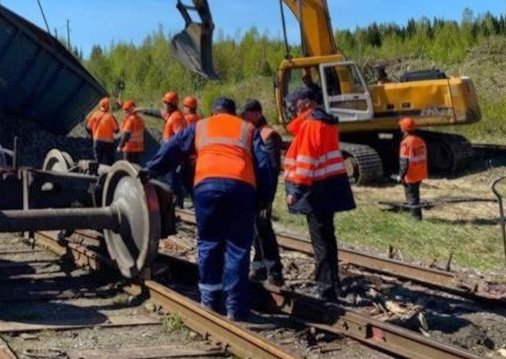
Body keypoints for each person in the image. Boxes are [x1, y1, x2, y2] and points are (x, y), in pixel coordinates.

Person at [144, 97, 274, 321]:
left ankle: (210, 303)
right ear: (234, 114)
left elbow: (173, 148)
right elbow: (264, 164)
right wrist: (264, 198)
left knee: (209, 242)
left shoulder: (201, 126)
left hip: (207, 186)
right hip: (241, 187)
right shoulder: (248, 128)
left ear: (214, 113)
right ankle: (235, 309)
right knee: (237, 248)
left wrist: (150, 170)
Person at [283, 87, 356, 301]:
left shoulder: (311, 125)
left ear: (306, 103)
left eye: (295, 103)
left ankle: (325, 287)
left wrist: (296, 191)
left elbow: (306, 160)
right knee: (327, 237)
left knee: (320, 240)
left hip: (316, 189)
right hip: (329, 186)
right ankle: (332, 283)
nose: (293, 108)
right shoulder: (325, 122)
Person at [241, 99, 284, 286]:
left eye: (247, 114)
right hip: (252, 190)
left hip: (262, 193)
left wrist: (268, 199)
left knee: (264, 230)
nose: (244, 118)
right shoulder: (253, 132)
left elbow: (272, 170)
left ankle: (274, 271)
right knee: (255, 231)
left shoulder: (268, 134)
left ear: (257, 114)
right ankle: (259, 269)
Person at [397, 117, 427, 221]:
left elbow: (404, 161)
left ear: (404, 128)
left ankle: (416, 219)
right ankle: (417, 216)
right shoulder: (420, 140)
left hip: (411, 174)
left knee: (412, 197)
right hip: (420, 172)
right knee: (415, 195)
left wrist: (401, 175)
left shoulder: (406, 143)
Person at [116, 100, 145, 164]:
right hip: (138, 148)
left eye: (126, 110)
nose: (124, 111)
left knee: (127, 167)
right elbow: (143, 133)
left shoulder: (130, 120)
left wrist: (120, 146)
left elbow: (126, 134)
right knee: (136, 166)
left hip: (129, 148)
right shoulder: (140, 120)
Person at [92, 100, 119, 166]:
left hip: (97, 141)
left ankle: (95, 174)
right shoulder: (110, 116)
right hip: (108, 143)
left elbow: (88, 127)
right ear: (108, 106)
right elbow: (116, 130)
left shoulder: (95, 114)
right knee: (109, 161)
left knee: (97, 160)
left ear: (100, 105)